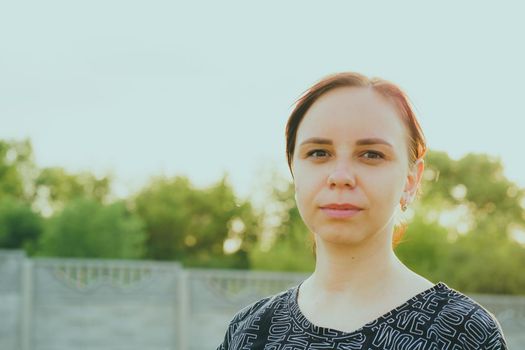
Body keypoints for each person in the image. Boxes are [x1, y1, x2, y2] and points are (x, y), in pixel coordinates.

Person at [216, 72, 508, 349]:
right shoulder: (249, 329)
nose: (340, 176)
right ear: (294, 170)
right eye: (319, 153)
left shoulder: (464, 334)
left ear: (411, 180)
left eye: (371, 154)